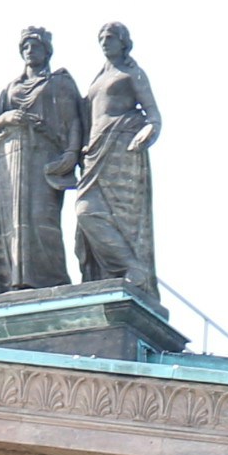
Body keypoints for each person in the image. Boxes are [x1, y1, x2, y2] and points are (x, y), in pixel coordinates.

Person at [0, 28, 82, 294]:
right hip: (9, 158)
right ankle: (13, 281)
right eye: (26, 46)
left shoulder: (59, 82)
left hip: (44, 156)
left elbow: (74, 120)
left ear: (46, 50)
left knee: (41, 217)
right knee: (12, 221)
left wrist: (71, 154)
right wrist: (7, 117)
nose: (30, 50)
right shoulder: (11, 87)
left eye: (36, 46)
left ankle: (51, 280)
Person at [67, 23, 160, 294]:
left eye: (111, 38)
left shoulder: (132, 73)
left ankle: (133, 268)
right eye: (102, 38)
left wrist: (147, 134)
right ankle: (121, 268)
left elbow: (154, 116)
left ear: (123, 42)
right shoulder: (98, 77)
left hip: (121, 147)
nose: (105, 42)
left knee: (114, 216)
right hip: (95, 152)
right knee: (86, 211)